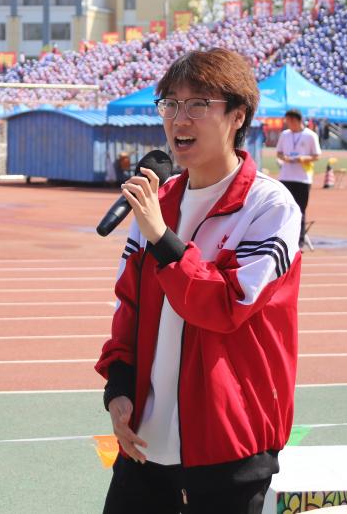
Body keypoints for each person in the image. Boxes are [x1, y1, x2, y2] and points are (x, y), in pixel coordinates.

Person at [96, 48, 302, 514]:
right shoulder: (157, 201)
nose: (179, 118)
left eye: (197, 105)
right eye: (170, 104)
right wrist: (119, 387)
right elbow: (128, 306)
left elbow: (226, 305)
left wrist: (162, 239)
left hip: (228, 445)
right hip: (144, 444)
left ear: (237, 116)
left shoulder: (271, 207)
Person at [276, 109, 322, 248]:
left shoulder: (310, 135)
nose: (288, 123)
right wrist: (285, 158)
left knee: (300, 210)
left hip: (302, 179)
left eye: (290, 121)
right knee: (284, 209)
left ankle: (299, 242)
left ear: (297, 120)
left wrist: (303, 158)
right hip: (285, 177)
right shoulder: (285, 134)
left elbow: (317, 155)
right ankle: (282, 239)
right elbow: (279, 153)